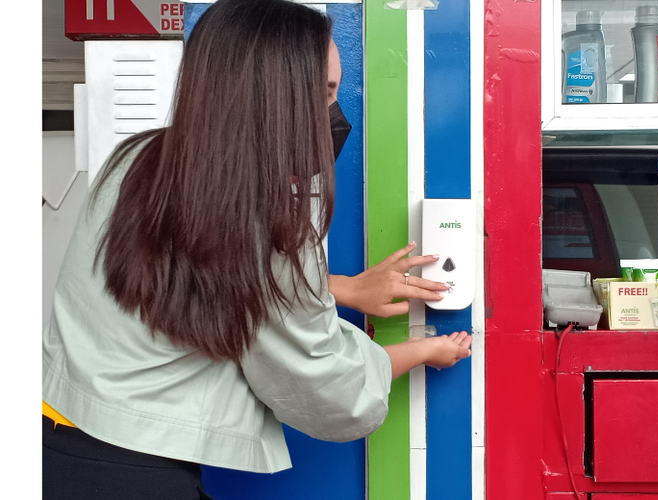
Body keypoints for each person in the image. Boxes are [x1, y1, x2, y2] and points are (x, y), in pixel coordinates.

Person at [42, 0, 472, 498]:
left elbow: (192, 274)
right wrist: (422, 350)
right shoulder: (271, 223)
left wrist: (343, 289)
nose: (335, 114)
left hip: (49, 443)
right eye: (327, 93)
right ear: (275, 99)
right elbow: (334, 392)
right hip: (136, 477)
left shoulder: (138, 159)